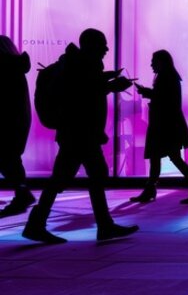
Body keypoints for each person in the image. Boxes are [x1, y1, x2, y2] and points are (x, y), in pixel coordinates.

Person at [23, 29, 139, 244]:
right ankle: (38, 224)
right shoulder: (83, 64)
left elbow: (84, 87)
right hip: (80, 134)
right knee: (80, 177)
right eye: (102, 44)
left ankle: (102, 225)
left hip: (77, 133)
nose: (106, 48)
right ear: (91, 45)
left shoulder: (78, 63)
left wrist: (107, 79)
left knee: (81, 177)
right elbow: (82, 95)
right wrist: (111, 86)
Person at [129, 50, 188, 204]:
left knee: (161, 157)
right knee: (168, 158)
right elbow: (166, 99)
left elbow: (163, 99)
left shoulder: (165, 78)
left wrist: (146, 92)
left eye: (154, 61)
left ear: (161, 62)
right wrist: (148, 92)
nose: (151, 64)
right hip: (168, 125)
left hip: (163, 125)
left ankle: (153, 189)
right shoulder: (170, 77)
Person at [0, 36, 35, 217]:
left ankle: (22, 193)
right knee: (11, 159)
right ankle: (22, 193)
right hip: (17, 121)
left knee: (8, 159)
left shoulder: (4, 68)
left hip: (6, 122)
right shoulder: (16, 67)